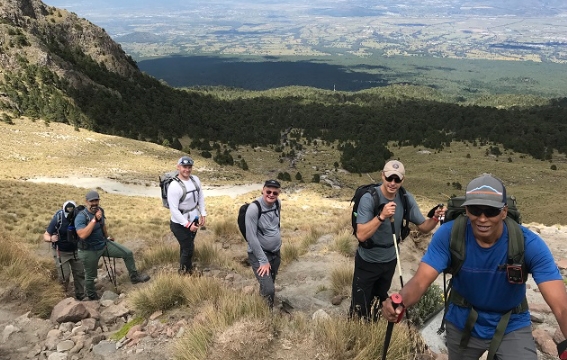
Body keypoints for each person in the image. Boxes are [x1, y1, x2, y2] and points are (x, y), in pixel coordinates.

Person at [382, 174, 567, 360]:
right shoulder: (449, 235)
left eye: (491, 211)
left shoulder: (529, 244)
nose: (482, 218)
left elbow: (561, 307)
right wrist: (400, 302)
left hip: (511, 323)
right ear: (466, 210)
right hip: (463, 322)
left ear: (504, 211)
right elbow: (421, 281)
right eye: (475, 210)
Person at [350, 160, 445, 320]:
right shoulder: (369, 198)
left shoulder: (406, 199)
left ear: (403, 180)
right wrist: (381, 216)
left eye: (397, 180)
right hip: (367, 261)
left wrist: (435, 218)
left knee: (379, 300)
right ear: (382, 176)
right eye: (389, 178)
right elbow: (361, 235)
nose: (393, 183)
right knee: (360, 305)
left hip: (390, 260)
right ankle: (356, 331)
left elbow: (423, 226)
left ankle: (373, 329)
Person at [75, 190, 150, 300]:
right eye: (92, 201)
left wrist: (107, 236)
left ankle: (134, 277)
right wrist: (94, 220)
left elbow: (103, 225)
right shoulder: (81, 216)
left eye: (96, 200)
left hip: (103, 245)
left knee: (127, 253)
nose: (95, 203)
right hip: (89, 250)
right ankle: (92, 297)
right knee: (91, 277)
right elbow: (82, 235)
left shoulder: (100, 211)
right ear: (86, 201)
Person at [245, 179, 282, 309]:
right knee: (269, 289)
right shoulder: (254, 209)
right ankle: (266, 316)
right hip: (259, 255)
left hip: (275, 253)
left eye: (275, 192)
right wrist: (263, 260)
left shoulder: (278, 203)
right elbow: (251, 236)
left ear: (278, 193)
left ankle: (264, 306)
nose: (271, 194)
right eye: (268, 191)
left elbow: (276, 225)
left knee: (270, 282)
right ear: (263, 190)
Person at [167, 156, 207, 275]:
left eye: (189, 167)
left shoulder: (195, 180)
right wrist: (187, 225)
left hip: (193, 218)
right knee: (188, 248)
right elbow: (174, 210)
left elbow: (200, 197)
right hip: (179, 223)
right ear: (178, 167)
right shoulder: (174, 186)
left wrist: (203, 213)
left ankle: (185, 266)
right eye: (184, 167)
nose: (187, 170)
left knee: (187, 246)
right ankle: (184, 273)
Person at [43, 200, 86, 301]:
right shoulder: (58, 218)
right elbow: (45, 235)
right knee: (64, 276)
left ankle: (81, 295)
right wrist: (51, 239)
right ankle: (62, 296)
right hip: (61, 252)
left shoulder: (80, 218)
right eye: (67, 213)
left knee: (80, 273)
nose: (68, 216)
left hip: (76, 251)